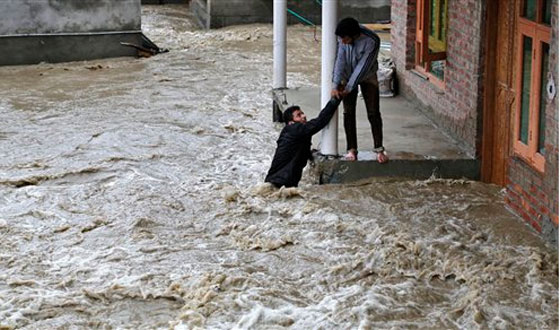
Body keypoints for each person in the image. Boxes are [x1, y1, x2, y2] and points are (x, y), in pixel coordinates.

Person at [331, 17, 388, 163]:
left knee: (373, 112)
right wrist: (335, 84)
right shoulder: (342, 37)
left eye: (345, 39)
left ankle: (379, 149)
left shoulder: (372, 40)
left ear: (354, 35)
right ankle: (351, 150)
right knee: (348, 112)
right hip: (347, 74)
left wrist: (350, 87)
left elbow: (362, 67)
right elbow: (340, 60)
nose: (342, 42)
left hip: (367, 75)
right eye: (340, 39)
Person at [265, 97, 342, 188]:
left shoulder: (292, 133)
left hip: (277, 182)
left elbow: (296, 152)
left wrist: (311, 154)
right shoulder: (296, 129)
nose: (304, 116)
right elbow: (320, 121)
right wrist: (335, 100)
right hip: (281, 183)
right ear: (291, 122)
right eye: (298, 115)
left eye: (302, 113)